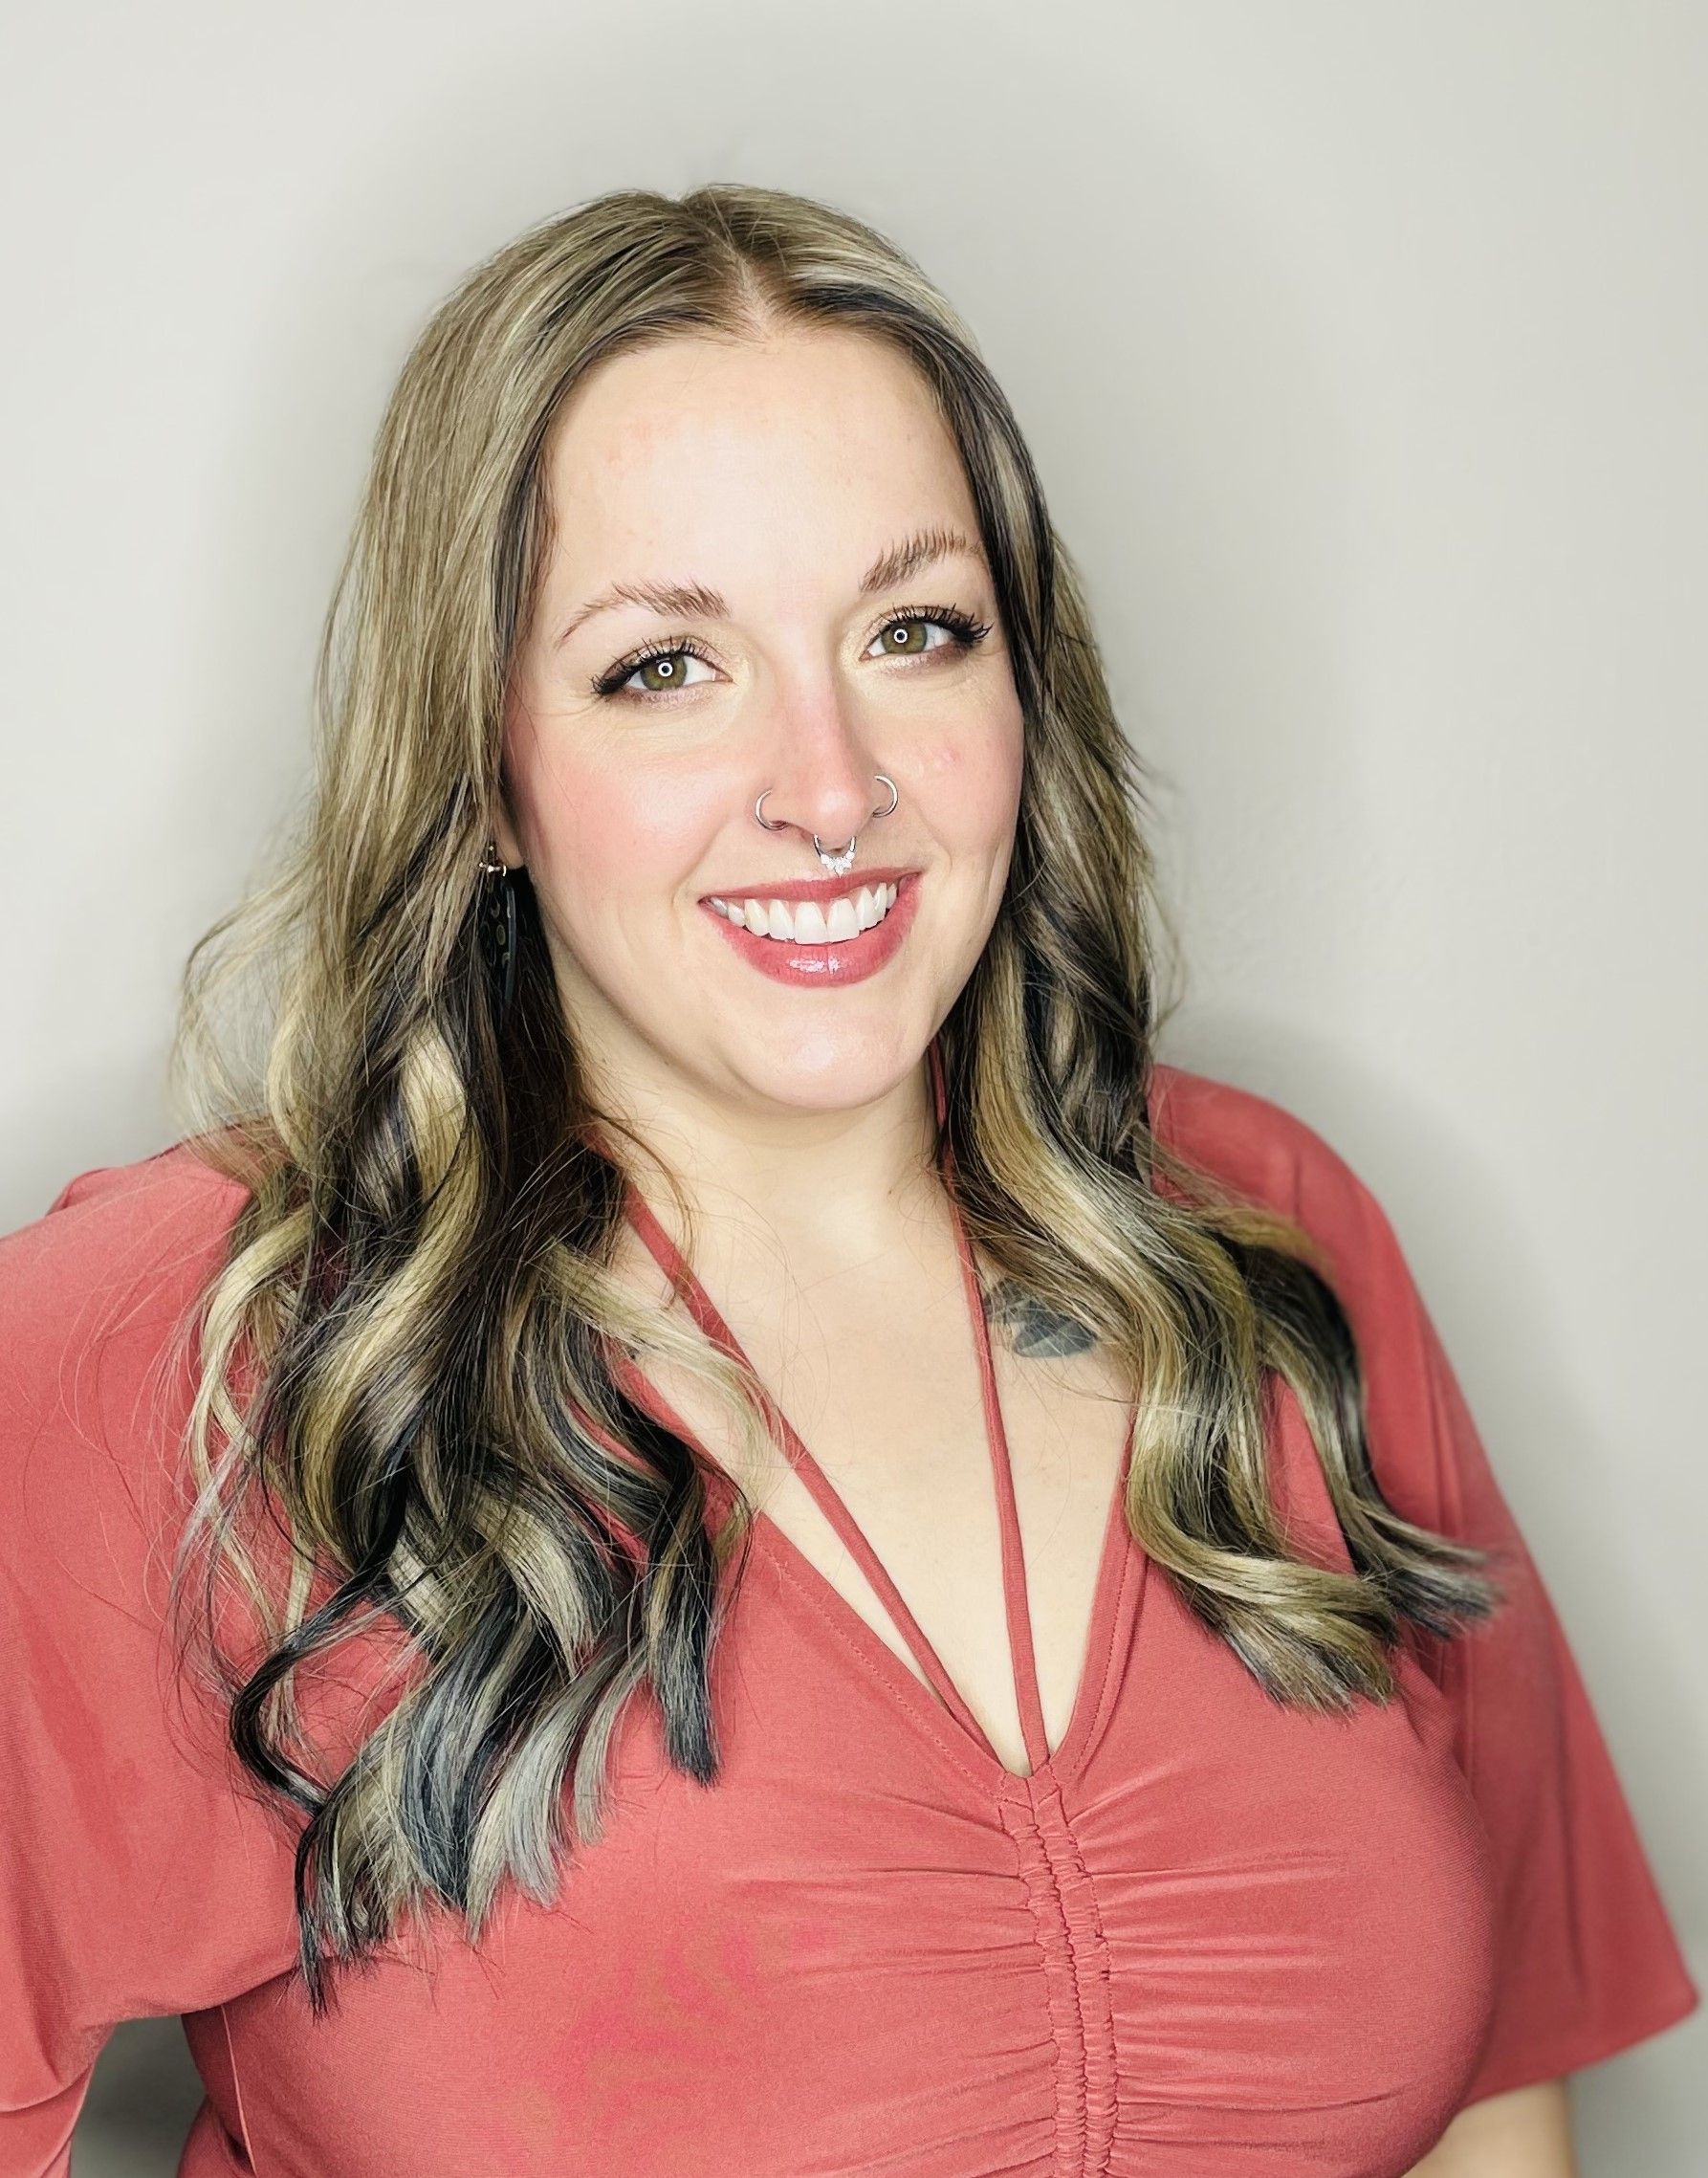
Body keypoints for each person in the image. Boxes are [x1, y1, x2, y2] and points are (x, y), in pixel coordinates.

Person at [0, 183, 1696, 2178]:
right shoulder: (195, 1348)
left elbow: (1498, 2092)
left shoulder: (1263, 1236)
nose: (828, 784)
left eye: (914, 631)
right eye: (662, 665)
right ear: (483, 769)